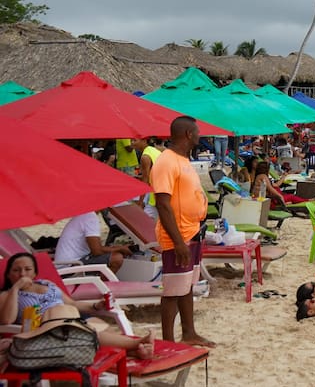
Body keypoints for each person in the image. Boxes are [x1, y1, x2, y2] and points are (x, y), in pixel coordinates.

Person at [1, 253, 155, 359]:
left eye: (27, 269)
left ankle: (133, 352)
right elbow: (7, 320)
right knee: (91, 332)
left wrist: (96, 306)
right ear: (8, 275)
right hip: (46, 331)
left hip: (70, 321)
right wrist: (15, 288)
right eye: (16, 270)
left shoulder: (47, 284)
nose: (22, 274)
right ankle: (138, 343)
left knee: (100, 326)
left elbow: (73, 304)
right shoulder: (7, 295)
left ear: (35, 273)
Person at [151, 115, 215, 347]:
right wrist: (178, 241)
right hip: (176, 236)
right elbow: (162, 203)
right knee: (172, 291)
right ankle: (168, 342)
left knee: (186, 285)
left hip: (192, 231)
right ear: (189, 134)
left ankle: (189, 332)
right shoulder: (166, 161)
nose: (200, 135)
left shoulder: (183, 160)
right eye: (197, 132)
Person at [54, 211, 131, 274]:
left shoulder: (85, 215)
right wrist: (120, 248)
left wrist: (117, 248)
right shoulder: (90, 217)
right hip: (69, 266)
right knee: (116, 258)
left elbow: (95, 248)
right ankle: (101, 290)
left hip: (64, 264)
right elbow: (97, 251)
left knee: (110, 256)